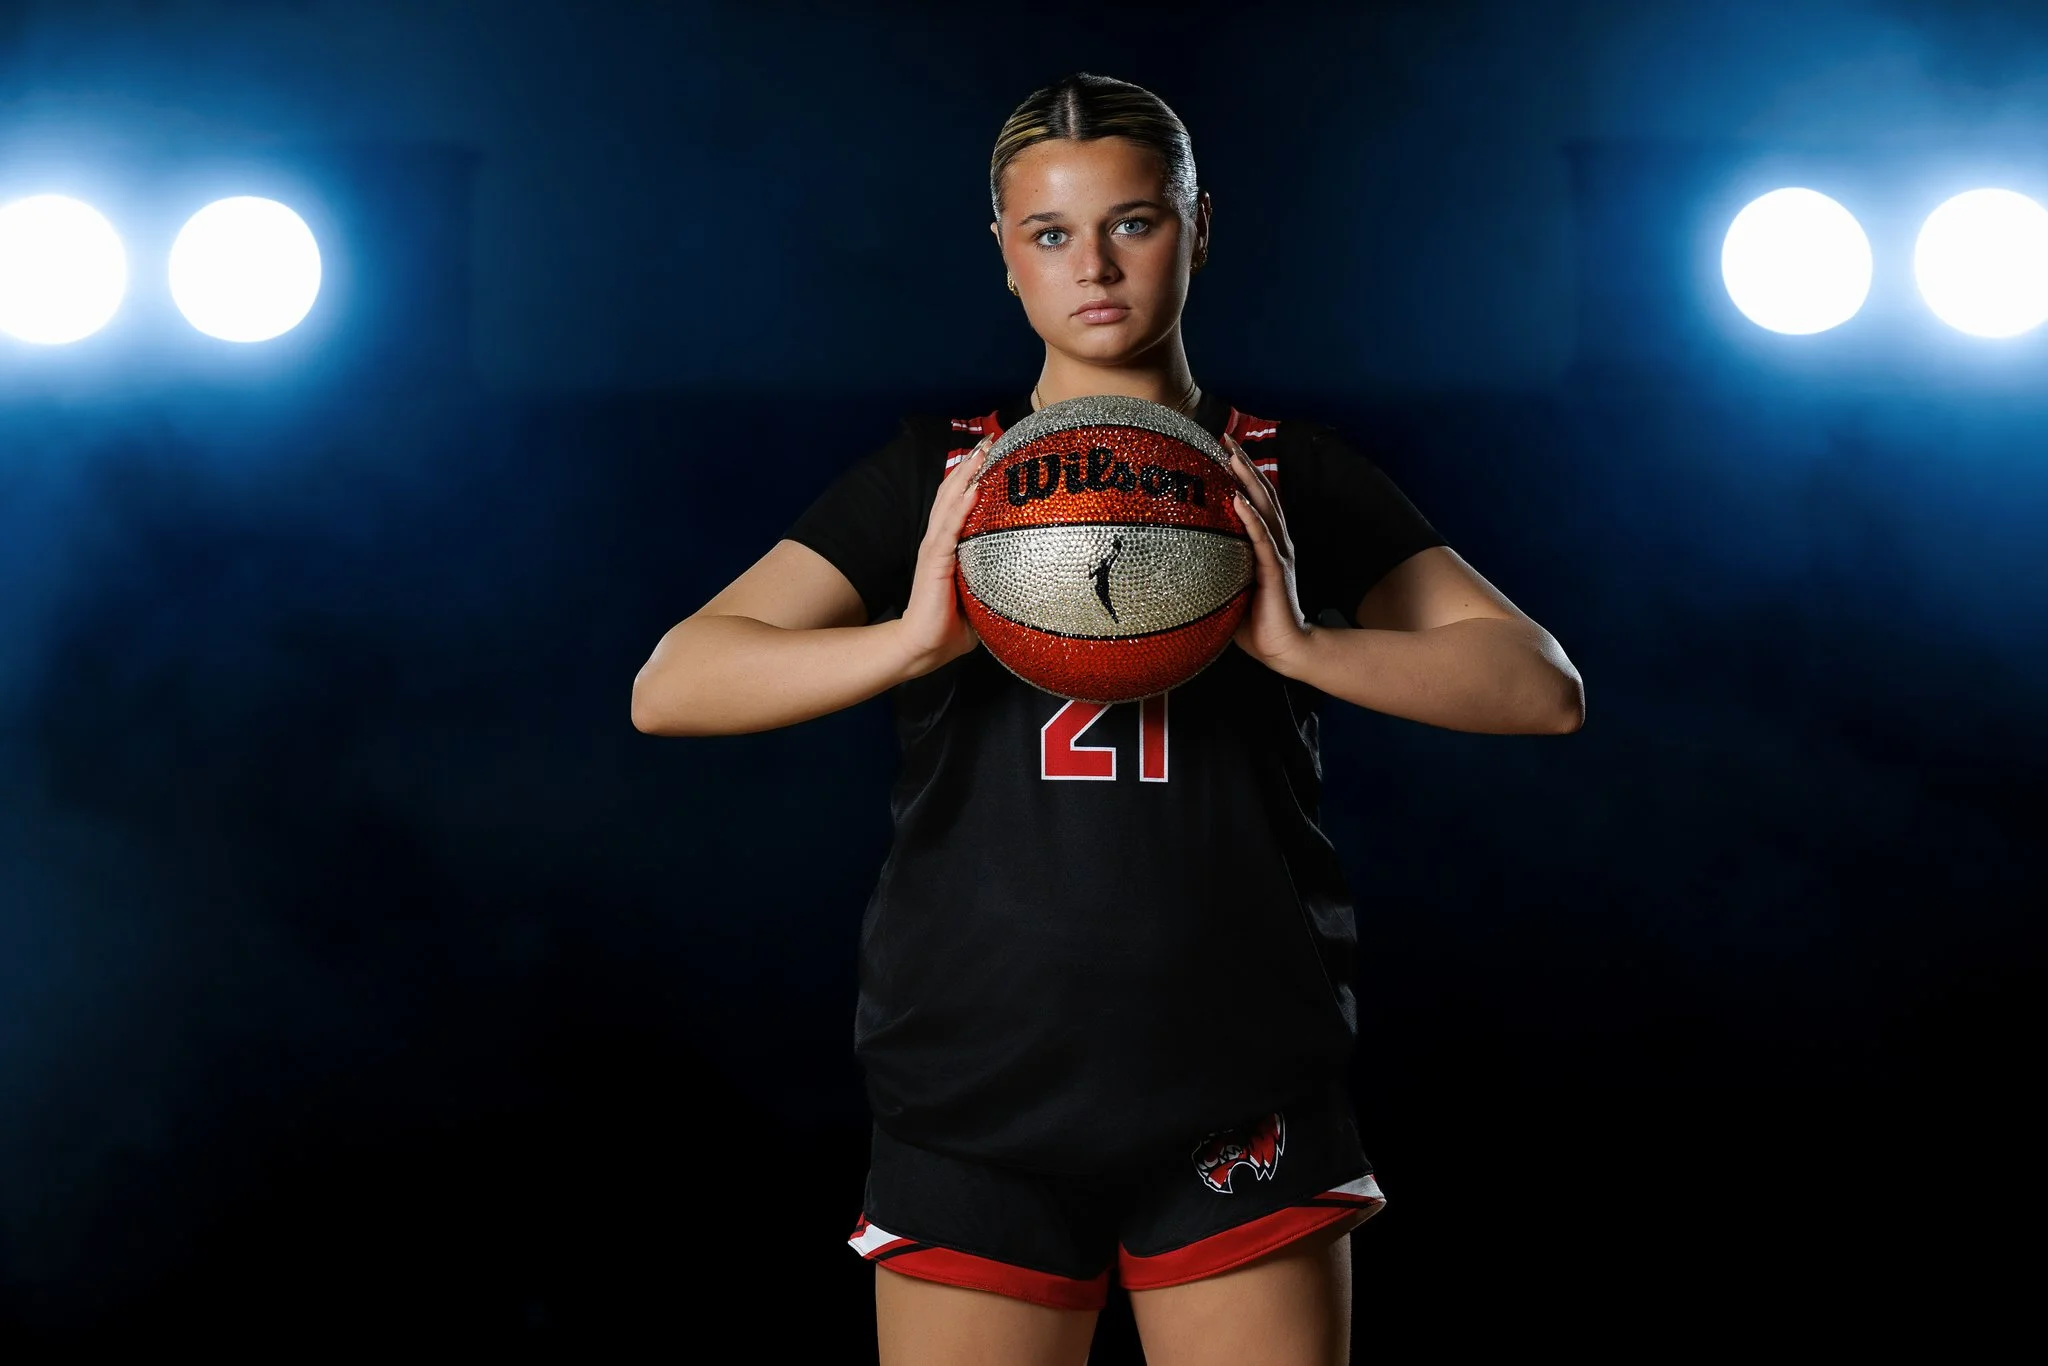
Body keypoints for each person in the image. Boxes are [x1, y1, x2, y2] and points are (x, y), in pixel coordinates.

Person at [631, 71, 1585, 1366]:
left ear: (1199, 223)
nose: (1095, 266)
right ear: (1005, 257)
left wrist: (1298, 641)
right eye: (1051, 234)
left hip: (1235, 1075)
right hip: (976, 1080)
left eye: (1134, 222)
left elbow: (1540, 684)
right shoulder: (946, 473)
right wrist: (912, 636)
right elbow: (673, 681)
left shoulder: (1282, 471)